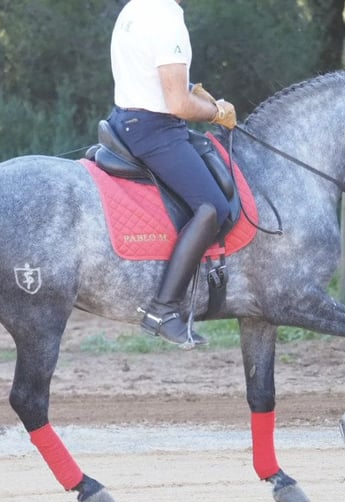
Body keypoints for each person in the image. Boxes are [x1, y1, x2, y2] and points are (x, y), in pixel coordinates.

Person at [108, 0, 237, 348]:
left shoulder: (135, 8)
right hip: (156, 130)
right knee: (213, 208)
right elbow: (179, 105)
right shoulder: (167, 20)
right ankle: (162, 310)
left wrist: (192, 86)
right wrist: (216, 112)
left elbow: (150, 73)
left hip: (125, 119)